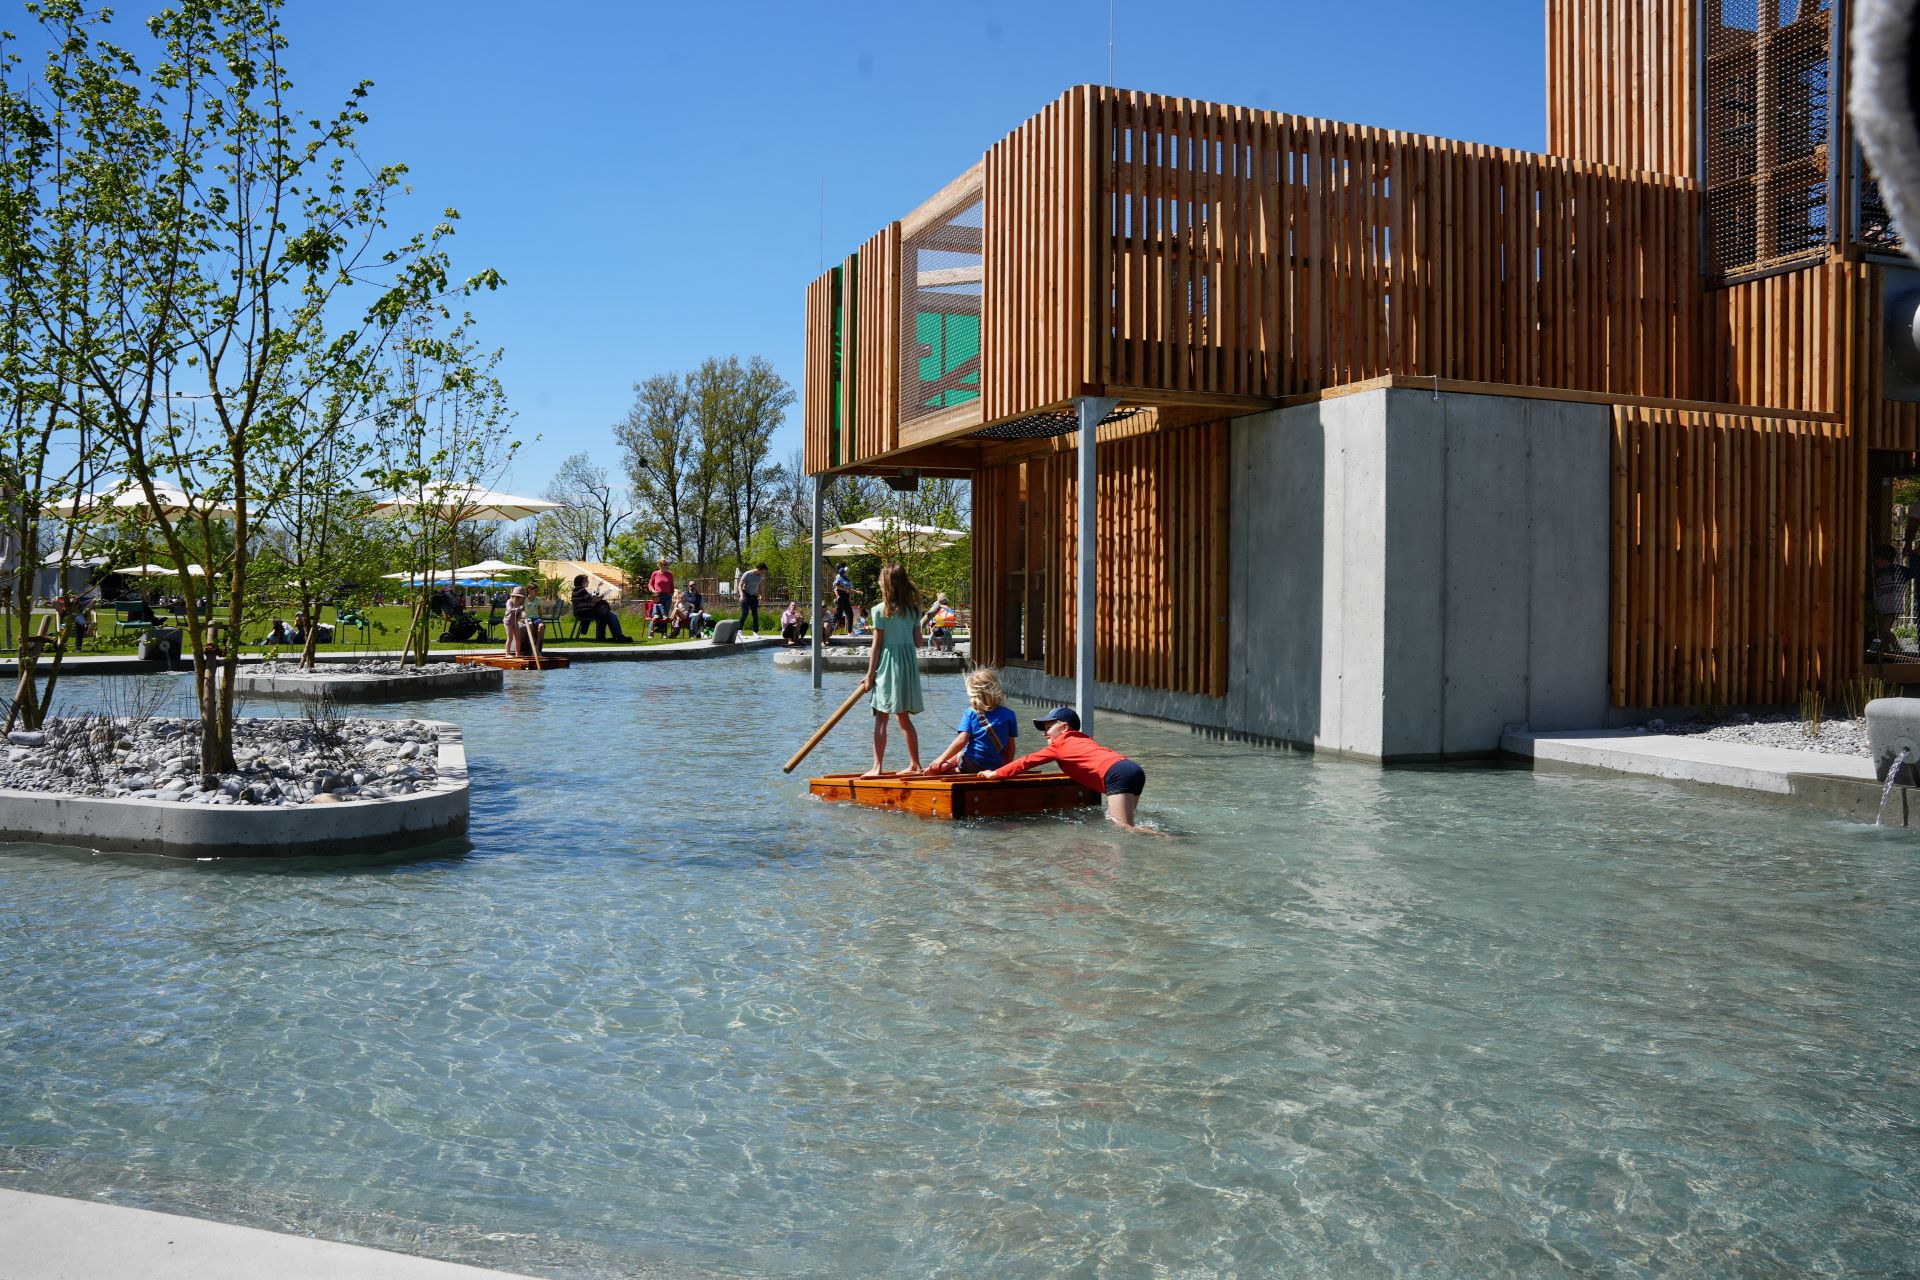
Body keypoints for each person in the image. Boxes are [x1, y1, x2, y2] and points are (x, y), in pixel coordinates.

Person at [981, 706, 1148, 831]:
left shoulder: (1060, 745)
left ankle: (1167, 839)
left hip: (1117, 775)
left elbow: (1026, 761)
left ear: (1064, 727)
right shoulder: (1083, 740)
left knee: (1124, 829)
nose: (1044, 734)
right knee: (1129, 822)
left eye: (1047, 728)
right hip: (1132, 769)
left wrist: (995, 773)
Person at [857, 561, 925, 776]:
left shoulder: (880, 611)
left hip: (888, 666)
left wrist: (869, 676)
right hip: (907, 668)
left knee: (881, 717)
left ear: (886, 584)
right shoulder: (913, 611)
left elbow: (876, 646)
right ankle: (915, 764)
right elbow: (919, 643)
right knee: (904, 718)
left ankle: (877, 767)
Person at [922, 667, 1017, 775]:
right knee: (961, 760)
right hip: (995, 766)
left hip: (972, 764)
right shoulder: (1010, 714)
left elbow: (962, 740)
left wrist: (941, 758)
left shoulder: (971, 713)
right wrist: (1007, 768)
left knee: (959, 756)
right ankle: (952, 769)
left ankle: (944, 767)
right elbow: (1010, 747)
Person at [1873, 542, 1914, 654]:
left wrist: (1911, 554)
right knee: (1882, 632)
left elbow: (1914, 572)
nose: (1875, 563)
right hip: (1880, 607)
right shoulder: (1875, 573)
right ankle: (1887, 651)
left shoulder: (1899, 570)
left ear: (1883, 559)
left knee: (1884, 631)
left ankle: (1875, 652)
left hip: (1892, 607)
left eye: (1877, 560)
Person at [571, 573, 631, 643]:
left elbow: (591, 600)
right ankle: (617, 636)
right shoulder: (581, 590)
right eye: (587, 580)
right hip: (585, 613)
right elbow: (594, 600)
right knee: (609, 615)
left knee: (607, 614)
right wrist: (603, 596)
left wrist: (598, 595)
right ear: (582, 582)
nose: (588, 582)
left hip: (582, 612)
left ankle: (610, 636)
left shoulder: (577, 590)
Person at [504, 585, 543, 657]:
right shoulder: (509, 601)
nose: (521, 599)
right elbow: (509, 610)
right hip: (508, 622)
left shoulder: (520, 603)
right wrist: (519, 609)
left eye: (522, 597)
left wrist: (522, 615)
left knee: (518, 638)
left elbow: (519, 614)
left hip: (515, 622)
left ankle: (518, 654)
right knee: (510, 637)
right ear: (516, 596)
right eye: (520, 597)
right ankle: (507, 654)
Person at [738, 562, 767, 634]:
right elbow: (740, 585)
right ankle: (739, 630)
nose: (763, 573)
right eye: (762, 571)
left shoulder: (760, 576)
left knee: (755, 614)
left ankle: (755, 632)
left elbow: (759, 586)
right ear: (758, 569)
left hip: (754, 596)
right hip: (746, 595)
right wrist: (741, 595)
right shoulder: (747, 574)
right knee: (745, 613)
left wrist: (761, 595)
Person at [832, 563, 859, 634]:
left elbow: (849, 589)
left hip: (845, 598)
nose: (847, 572)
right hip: (842, 598)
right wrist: (838, 595)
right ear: (843, 572)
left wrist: (856, 591)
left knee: (838, 614)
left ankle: (829, 628)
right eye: (846, 571)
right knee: (850, 614)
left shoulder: (846, 579)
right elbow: (836, 587)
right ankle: (850, 632)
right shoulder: (839, 577)